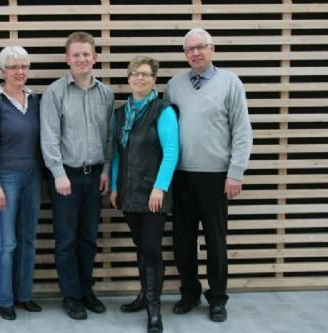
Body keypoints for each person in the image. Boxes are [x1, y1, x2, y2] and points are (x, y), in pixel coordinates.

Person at [164, 28, 253, 323]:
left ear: (212, 49)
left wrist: (236, 172)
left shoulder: (230, 83)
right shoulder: (174, 85)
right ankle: (189, 293)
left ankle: (217, 299)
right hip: (181, 175)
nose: (195, 53)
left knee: (216, 241)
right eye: (189, 49)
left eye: (200, 47)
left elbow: (242, 130)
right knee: (183, 240)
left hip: (216, 176)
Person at [40, 31, 115, 320]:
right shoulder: (55, 92)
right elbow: (49, 138)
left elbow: (109, 138)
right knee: (66, 240)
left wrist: (107, 170)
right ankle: (71, 295)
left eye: (86, 54)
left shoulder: (105, 93)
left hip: (95, 176)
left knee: (88, 238)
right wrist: (58, 173)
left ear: (95, 57)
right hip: (66, 178)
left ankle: (86, 290)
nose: (82, 59)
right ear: (67, 59)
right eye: (76, 54)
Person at [110, 56, 179, 333]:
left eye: (146, 74)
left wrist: (159, 188)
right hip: (129, 193)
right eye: (135, 74)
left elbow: (172, 151)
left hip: (154, 194)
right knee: (141, 248)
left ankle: (154, 309)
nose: (140, 78)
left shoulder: (163, 110)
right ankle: (143, 295)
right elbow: (117, 153)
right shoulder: (120, 113)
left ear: (154, 80)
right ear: (128, 79)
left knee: (151, 250)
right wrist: (115, 186)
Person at [0, 46, 42, 321]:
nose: (20, 72)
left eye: (24, 66)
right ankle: (5, 299)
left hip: (33, 177)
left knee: (28, 239)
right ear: (2, 70)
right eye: (13, 67)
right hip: (6, 178)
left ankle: (24, 295)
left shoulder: (35, 100)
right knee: (8, 242)